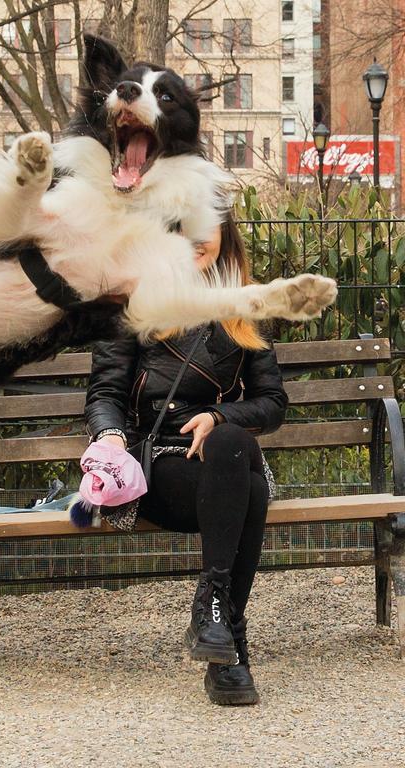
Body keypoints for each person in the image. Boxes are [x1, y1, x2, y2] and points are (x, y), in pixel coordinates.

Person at [84, 218, 288, 706]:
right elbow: (105, 392)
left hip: (222, 461)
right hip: (154, 466)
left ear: (223, 234)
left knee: (234, 443)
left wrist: (217, 416)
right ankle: (230, 643)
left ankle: (214, 618)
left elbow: (273, 403)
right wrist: (110, 439)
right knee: (253, 491)